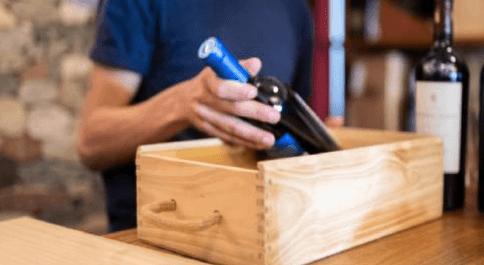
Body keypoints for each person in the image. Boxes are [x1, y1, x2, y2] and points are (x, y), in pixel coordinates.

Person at [77, 0, 315, 232]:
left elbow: (293, 125)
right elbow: (91, 143)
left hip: (262, 230)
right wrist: (182, 104)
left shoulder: (295, 9)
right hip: (156, 235)